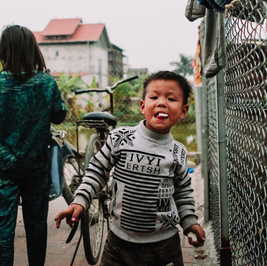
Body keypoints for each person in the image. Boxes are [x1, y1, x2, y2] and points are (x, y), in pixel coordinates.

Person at [55, 70, 206, 266]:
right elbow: (97, 171)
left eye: (171, 98)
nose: (161, 102)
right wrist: (80, 200)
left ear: (183, 111)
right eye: (154, 97)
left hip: (164, 245)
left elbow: (183, 191)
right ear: (143, 106)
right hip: (119, 242)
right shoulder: (120, 138)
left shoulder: (178, 152)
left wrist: (189, 222)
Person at [0, 25, 67, 266]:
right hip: (36, 166)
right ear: (32, 49)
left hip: (5, 165)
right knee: (36, 224)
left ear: (4, 51)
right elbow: (59, 115)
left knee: (3, 224)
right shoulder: (46, 82)